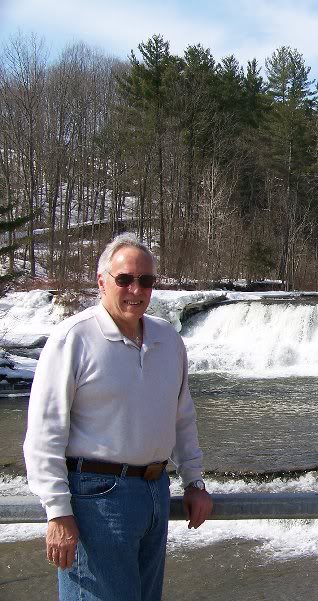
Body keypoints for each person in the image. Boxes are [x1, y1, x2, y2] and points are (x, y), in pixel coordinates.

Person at [23, 233, 213, 601]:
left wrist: (194, 482)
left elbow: (182, 418)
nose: (135, 290)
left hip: (155, 491)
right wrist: (58, 512)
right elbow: (45, 434)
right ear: (101, 282)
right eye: (124, 279)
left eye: (146, 281)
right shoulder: (72, 339)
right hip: (95, 497)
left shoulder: (167, 339)